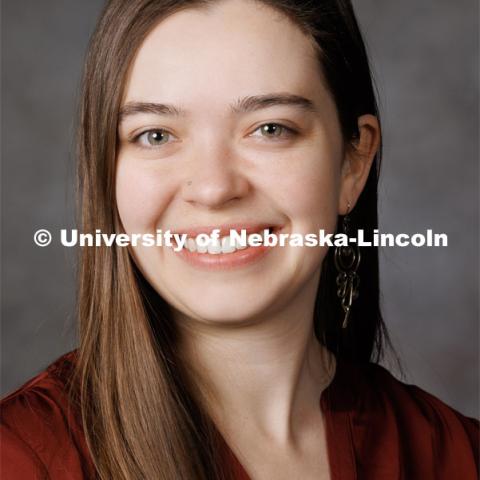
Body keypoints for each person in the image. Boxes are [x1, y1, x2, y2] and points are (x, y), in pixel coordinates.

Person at [1, 0, 478, 479]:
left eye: (270, 129)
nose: (213, 188)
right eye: (156, 136)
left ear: (353, 163)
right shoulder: (23, 457)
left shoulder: (459, 456)